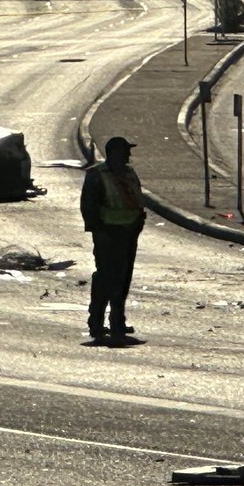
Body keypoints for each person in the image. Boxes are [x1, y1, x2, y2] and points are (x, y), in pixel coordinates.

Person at [81, 136, 146, 344]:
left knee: (124, 278)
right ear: (114, 153)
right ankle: (97, 321)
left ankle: (118, 320)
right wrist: (99, 231)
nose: (129, 155)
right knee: (106, 278)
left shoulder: (129, 173)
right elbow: (89, 207)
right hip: (107, 234)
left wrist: (138, 222)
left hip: (128, 233)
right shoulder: (97, 175)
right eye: (125, 151)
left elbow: (136, 198)